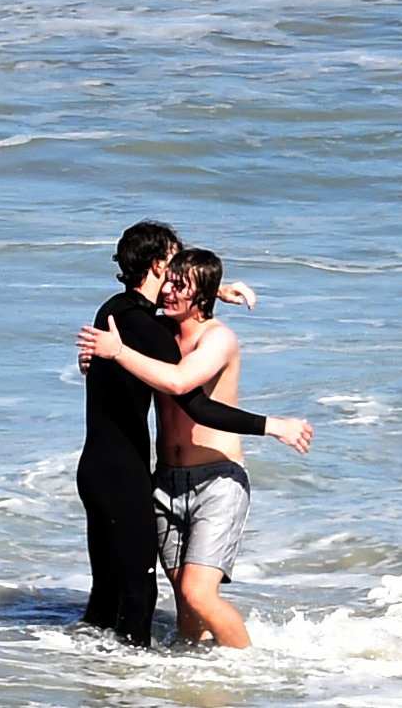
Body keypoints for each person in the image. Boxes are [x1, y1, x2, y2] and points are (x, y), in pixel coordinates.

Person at [76, 221, 313, 647]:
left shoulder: (163, 328)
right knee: (179, 603)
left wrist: (272, 426)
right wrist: (203, 290)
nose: (172, 285)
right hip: (163, 481)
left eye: (182, 281)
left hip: (209, 480)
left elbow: (183, 387)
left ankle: (250, 674)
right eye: (173, 267)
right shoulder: (153, 330)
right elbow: (153, 344)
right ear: (158, 265)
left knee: (192, 594)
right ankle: (180, 678)